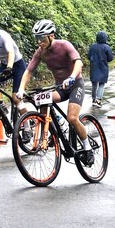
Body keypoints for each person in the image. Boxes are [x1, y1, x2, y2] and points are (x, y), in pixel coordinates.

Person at [16, 19, 94, 166]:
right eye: (36, 38)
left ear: (51, 36)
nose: (39, 42)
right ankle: (53, 130)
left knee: (72, 118)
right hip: (60, 87)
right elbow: (28, 71)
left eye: (41, 38)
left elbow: (78, 62)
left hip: (75, 84)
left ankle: (87, 148)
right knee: (42, 100)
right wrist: (21, 89)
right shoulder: (40, 52)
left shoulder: (64, 45)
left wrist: (72, 77)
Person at [87, 30, 114, 107]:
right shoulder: (106, 47)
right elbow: (110, 58)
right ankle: (98, 100)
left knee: (94, 84)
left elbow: (88, 56)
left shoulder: (93, 46)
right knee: (101, 84)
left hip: (94, 67)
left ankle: (93, 99)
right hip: (103, 67)